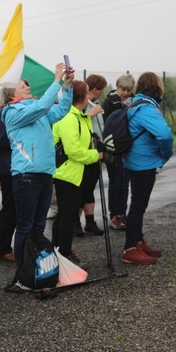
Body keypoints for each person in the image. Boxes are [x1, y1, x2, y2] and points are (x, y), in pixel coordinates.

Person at [2, 62, 74, 272]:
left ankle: (38, 269)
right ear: (10, 92)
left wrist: (67, 87)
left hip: (44, 173)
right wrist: (56, 81)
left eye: (26, 84)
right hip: (26, 176)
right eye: (22, 85)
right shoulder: (12, 112)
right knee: (25, 226)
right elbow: (42, 106)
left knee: (39, 226)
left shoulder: (35, 109)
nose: (27, 87)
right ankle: (23, 272)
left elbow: (60, 110)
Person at [121, 72, 174, 265]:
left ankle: (137, 241)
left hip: (136, 161)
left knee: (138, 204)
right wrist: (164, 156)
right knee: (138, 205)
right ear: (156, 87)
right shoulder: (146, 108)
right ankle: (130, 248)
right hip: (143, 163)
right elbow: (165, 135)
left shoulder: (137, 104)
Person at [51, 81, 102, 264]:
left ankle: (58, 252)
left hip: (75, 173)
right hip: (66, 174)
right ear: (81, 96)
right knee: (67, 215)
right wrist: (96, 155)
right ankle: (63, 255)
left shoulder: (79, 116)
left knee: (66, 214)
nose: (90, 95)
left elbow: (85, 141)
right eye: (87, 92)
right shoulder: (68, 118)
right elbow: (73, 151)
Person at [0, 82, 22, 263]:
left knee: (17, 208)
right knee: (10, 209)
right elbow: (2, 140)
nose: (28, 89)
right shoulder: (4, 113)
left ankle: (16, 246)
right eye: (24, 87)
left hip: (15, 167)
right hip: (7, 168)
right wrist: (24, 138)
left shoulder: (14, 111)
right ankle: (3, 249)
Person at [101, 74, 135, 230]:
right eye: (123, 89)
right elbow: (105, 126)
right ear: (118, 87)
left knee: (125, 183)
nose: (126, 93)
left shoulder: (134, 102)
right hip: (113, 149)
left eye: (129, 90)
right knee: (115, 182)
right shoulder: (109, 102)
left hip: (129, 148)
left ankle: (123, 214)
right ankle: (114, 215)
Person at [76, 74, 107, 237]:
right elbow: (76, 121)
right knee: (82, 188)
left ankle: (90, 222)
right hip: (85, 151)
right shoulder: (81, 104)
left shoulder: (92, 103)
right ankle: (75, 222)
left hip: (96, 150)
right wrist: (91, 114)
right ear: (96, 89)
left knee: (89, 188)